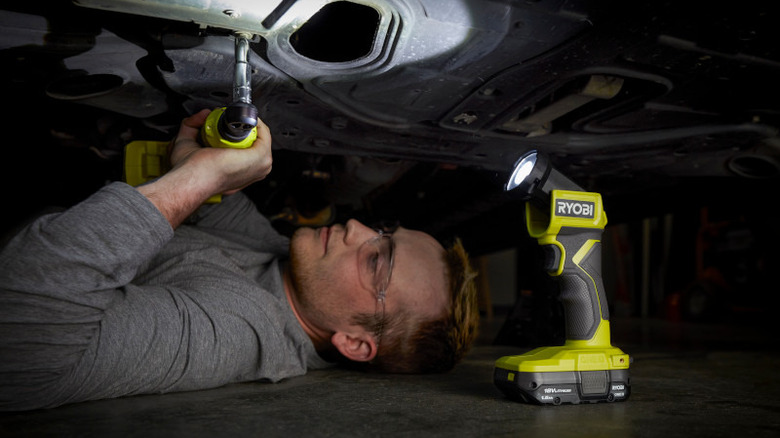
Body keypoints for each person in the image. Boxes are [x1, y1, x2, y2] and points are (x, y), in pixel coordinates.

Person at [0, 109, 479, 411]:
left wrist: (196, 181)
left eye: (377, 261)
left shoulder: (237, 332)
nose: (357, 229)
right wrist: (205, 158)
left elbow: (19, 354)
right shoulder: (281, 257)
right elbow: (214, 189)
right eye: (384, 232)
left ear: (355, 343)